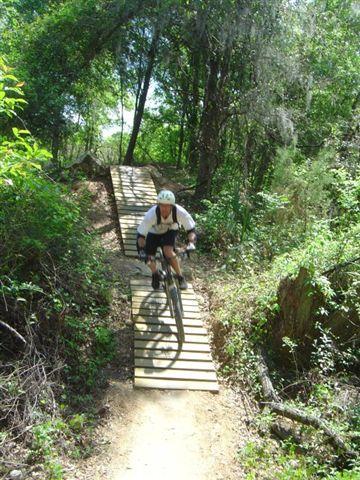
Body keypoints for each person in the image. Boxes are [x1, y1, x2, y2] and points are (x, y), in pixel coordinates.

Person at [136, 189, 196, 290]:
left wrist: (191, 243)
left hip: (170, 230)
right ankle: (155, 274)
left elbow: (191, 230)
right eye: (161, 205)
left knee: (168, 251)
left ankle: (180, 276)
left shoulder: (180, 212)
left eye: (167, 206)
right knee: (149, 256)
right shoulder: (151, 215)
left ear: (172, 206)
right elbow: (141, 236)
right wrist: (142, 250)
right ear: (158, 205)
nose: (164, 208)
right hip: (152, 233)